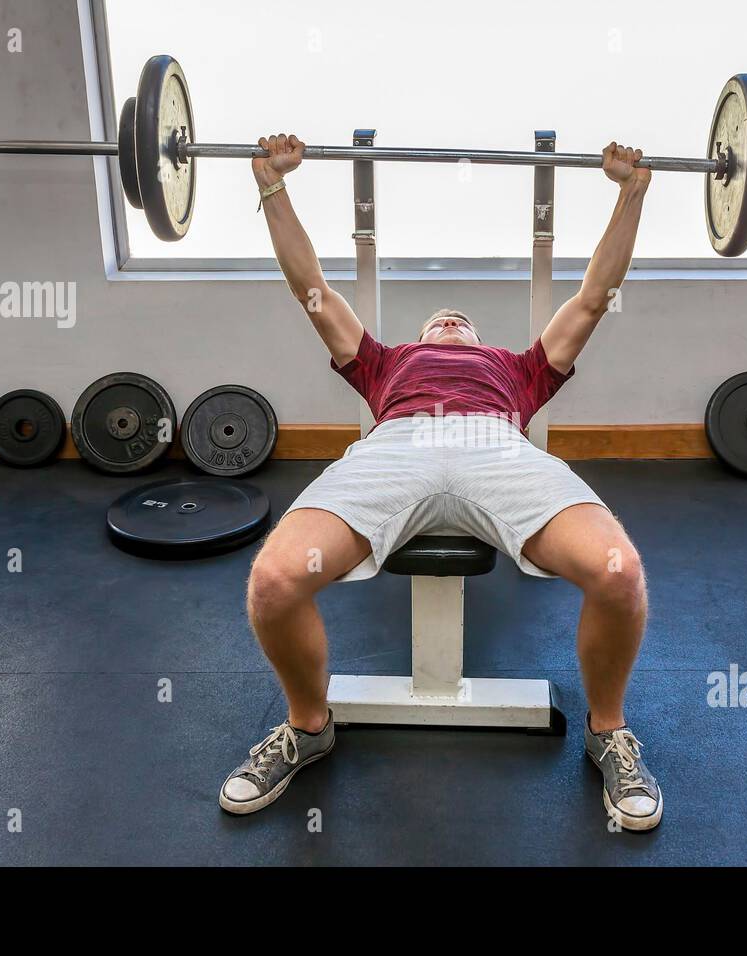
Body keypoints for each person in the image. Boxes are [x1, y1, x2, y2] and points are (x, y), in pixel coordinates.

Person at [220, 133, 661, 831]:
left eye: (461, 318)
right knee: (274, 580)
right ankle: (308, 726)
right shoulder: (384, 362)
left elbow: (592, 298)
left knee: (619, 572)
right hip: (396, 446)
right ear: (420, 339)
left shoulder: (516, 368)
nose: (450, 318)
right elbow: (313, 288)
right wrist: (272, 184)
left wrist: (632, 193)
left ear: (480, 340)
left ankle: (608, 732)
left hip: (498, 449)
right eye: (438, 318)